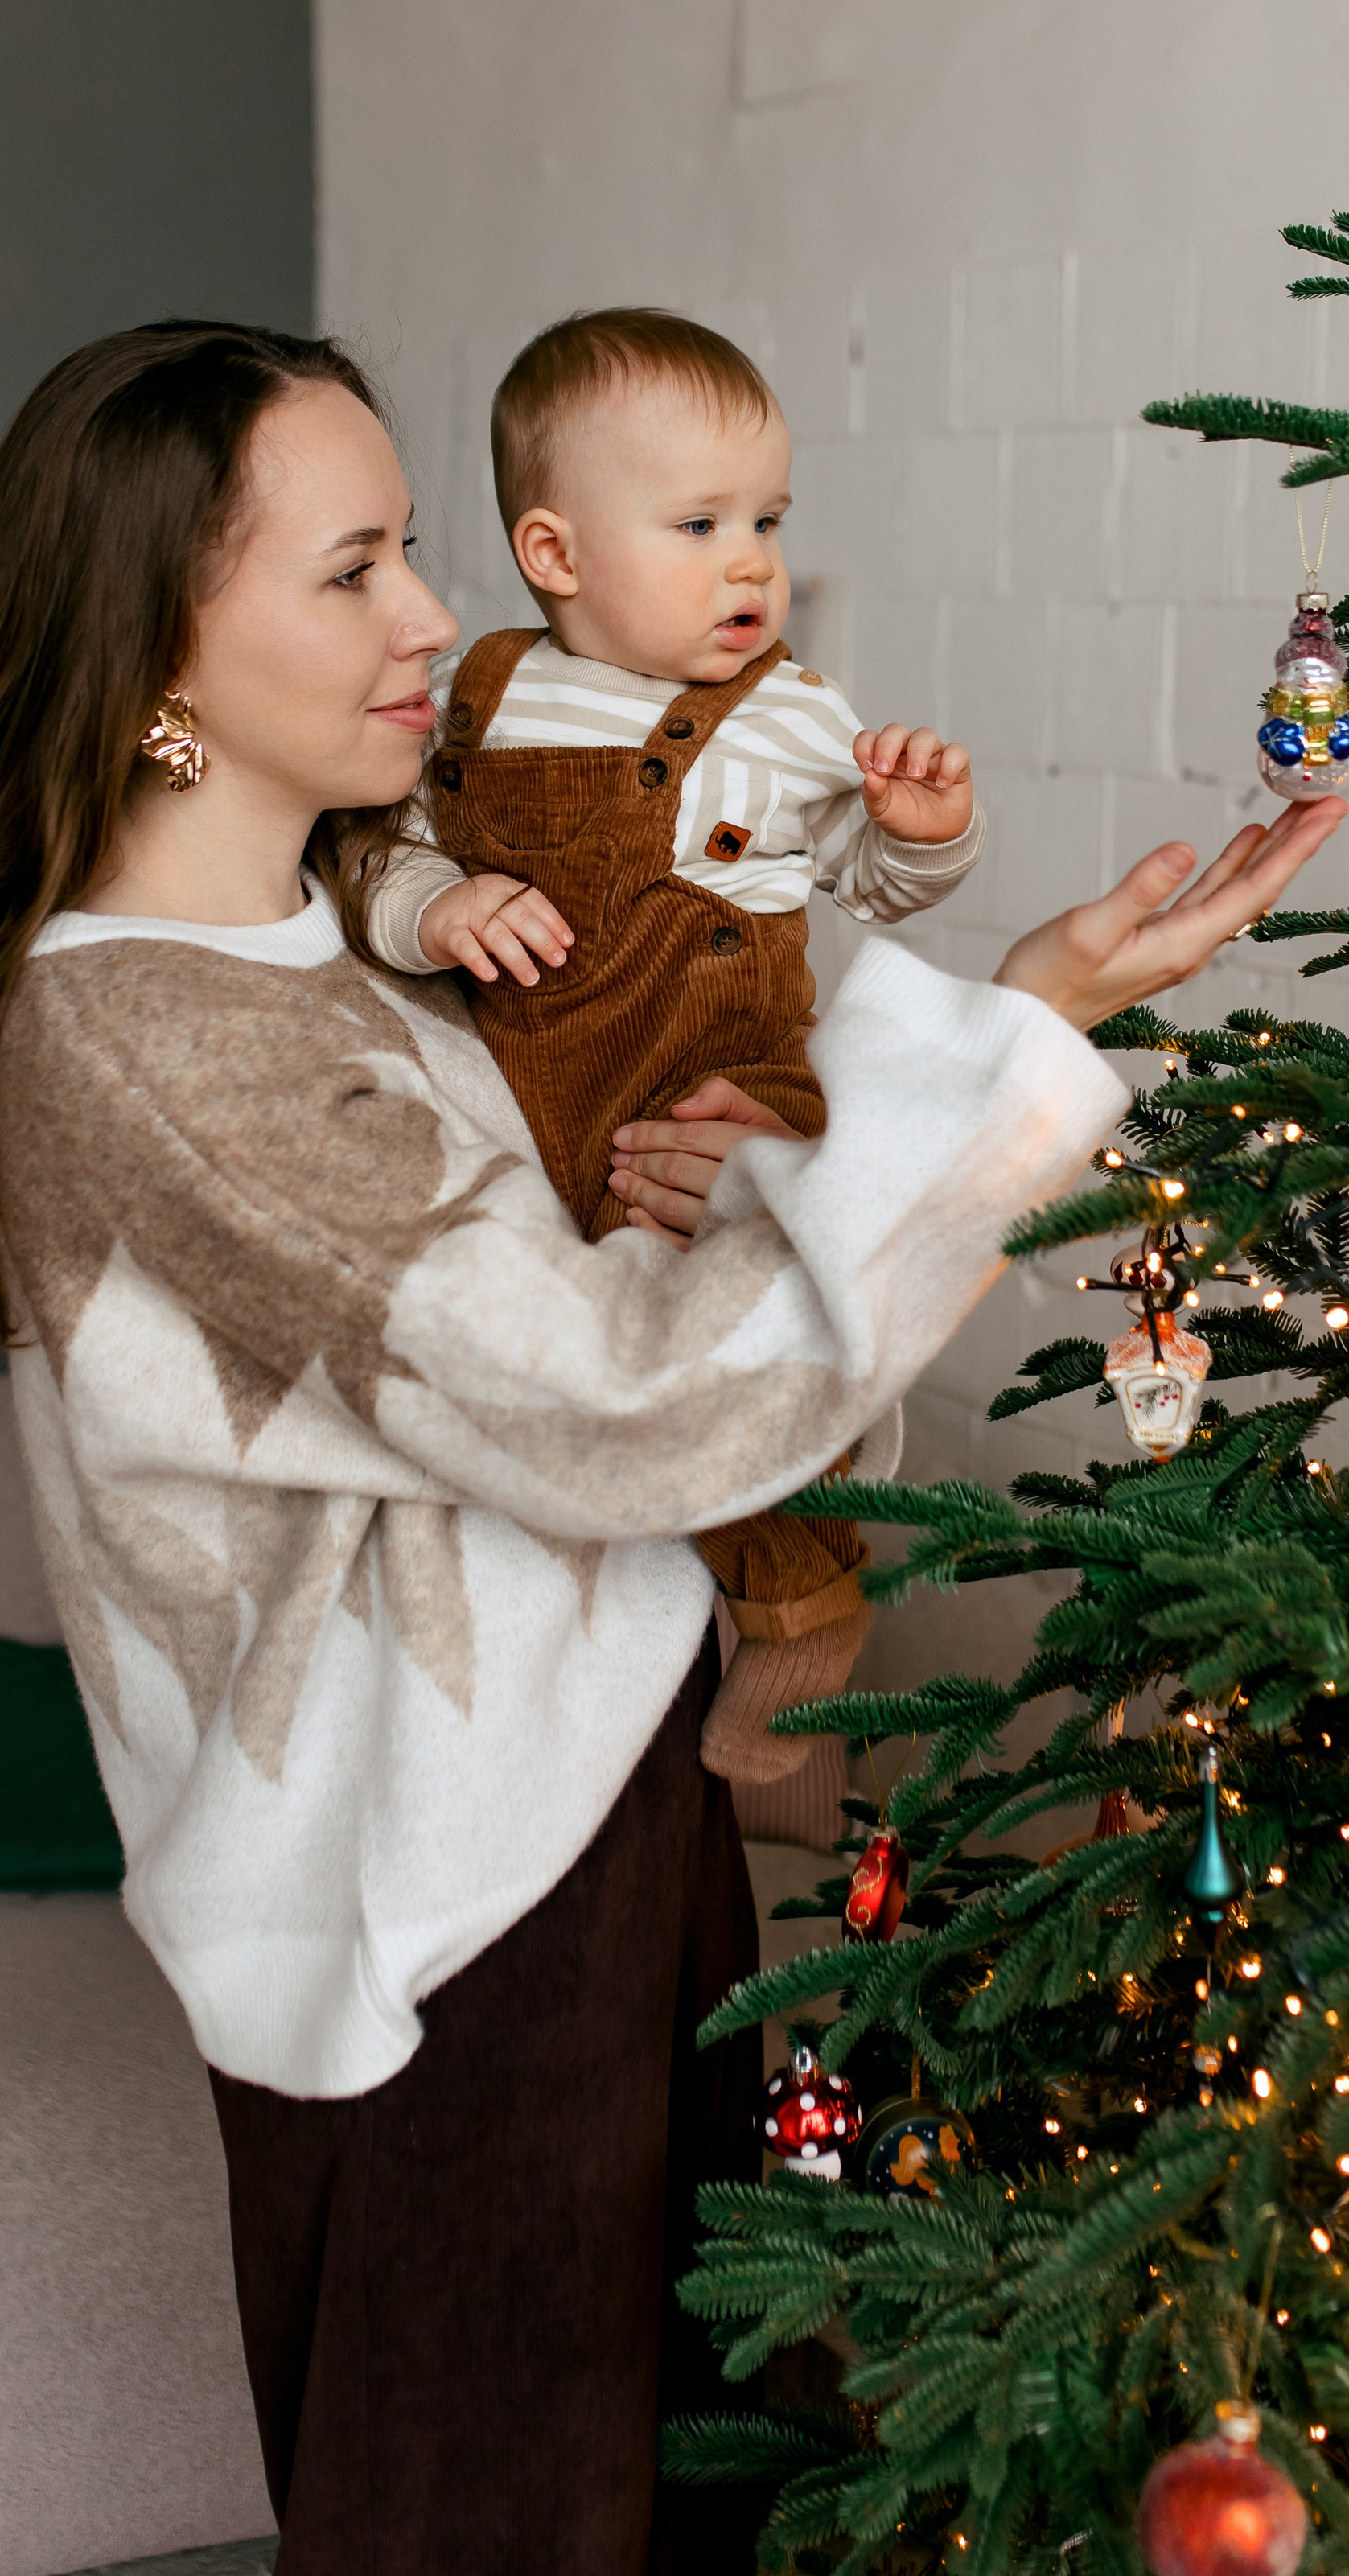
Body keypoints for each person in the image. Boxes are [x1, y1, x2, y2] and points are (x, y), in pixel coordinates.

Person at [0, 320, 1343, 2576]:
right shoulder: (158, 1030)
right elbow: (627, 1412)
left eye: (420, 553)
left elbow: (550, 1325)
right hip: (449, 1917)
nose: (434, 621)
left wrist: (725, 1158)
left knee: (682, 2498)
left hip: (569, 1821)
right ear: (157, 641)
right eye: (353, 569)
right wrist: (1025, 1031)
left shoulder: (331, 961)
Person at [360, 307, 985, 1778]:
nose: (751, 559)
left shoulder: (791, 718)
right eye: (698, 522)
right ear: (556, 554)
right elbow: (373, 846)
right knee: (569, 1384)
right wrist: (438, 905)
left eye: (767, 518)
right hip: (536, 1109)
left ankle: (801, 1608)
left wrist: (927, 830)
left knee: (729, 1361)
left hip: (725, 1085)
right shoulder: (481, 695)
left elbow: (874, 887)